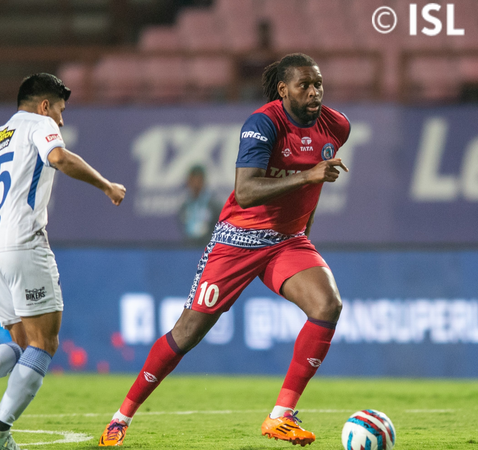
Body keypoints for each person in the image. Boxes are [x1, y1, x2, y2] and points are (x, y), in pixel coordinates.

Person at [99, 53, 351, 447]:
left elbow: (312, 188)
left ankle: (280, 416)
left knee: (328, 306)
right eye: (304, 84)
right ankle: (120, 418)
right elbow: (246, 191)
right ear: (283, 90)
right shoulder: (263, 124)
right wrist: (308, 176)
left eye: (318, 83)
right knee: (186, 334)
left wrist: (305, 228)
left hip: (287, 241)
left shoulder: (336, 126)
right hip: (238, 240)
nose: (314, 91)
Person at [0, 73, 126, 450]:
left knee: (22, 343)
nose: (61, 121)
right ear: (44, 106)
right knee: (45, 343)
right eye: (60, 111)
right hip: (22, 243)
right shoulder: (40, 125)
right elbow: (59, 158)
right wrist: (106, 185)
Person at [178, 164, 223, 247]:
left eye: (198, 180)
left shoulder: (214, 205)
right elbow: (182, 227)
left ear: (203, 181)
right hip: (189, 247)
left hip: (209, 247)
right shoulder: (184, 206)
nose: (195, 184)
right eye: (192, 180)